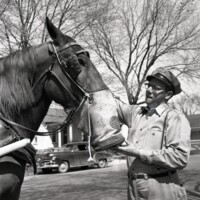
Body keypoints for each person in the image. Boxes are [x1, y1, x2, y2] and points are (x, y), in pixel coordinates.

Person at [112, 69, 191, 200]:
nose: (149, 90)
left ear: (168, 94)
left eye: (156, 87)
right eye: (148, 85)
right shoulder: (135, 112)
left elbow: (180, 157)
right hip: (133, 187)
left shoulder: (175, 118)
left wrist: (137, 152)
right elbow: (113, 105)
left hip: (162, 187)